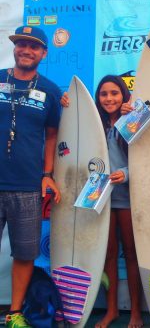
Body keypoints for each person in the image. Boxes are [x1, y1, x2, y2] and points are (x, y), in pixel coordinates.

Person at [0, 26, 62, 328]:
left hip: (27, 185)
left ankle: (14, 314)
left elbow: (52, 136)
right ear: (15, 48)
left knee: (25, 254)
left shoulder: (51, 90)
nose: (27, 50)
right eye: (22, 44)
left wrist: (47, 174)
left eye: (34, 47)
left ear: (44, 53)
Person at [93, 75, 143, 328]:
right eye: (104, 94)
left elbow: (147, 158)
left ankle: (136, 312)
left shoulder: (131, 120)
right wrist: (66, 103)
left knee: (133, 255)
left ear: (124, 95)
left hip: (127, 198)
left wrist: (126, 173)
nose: (109, 98)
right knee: (108, 255)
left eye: (114, 93)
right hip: (100, 199)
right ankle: (111, 309)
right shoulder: (94, 125)